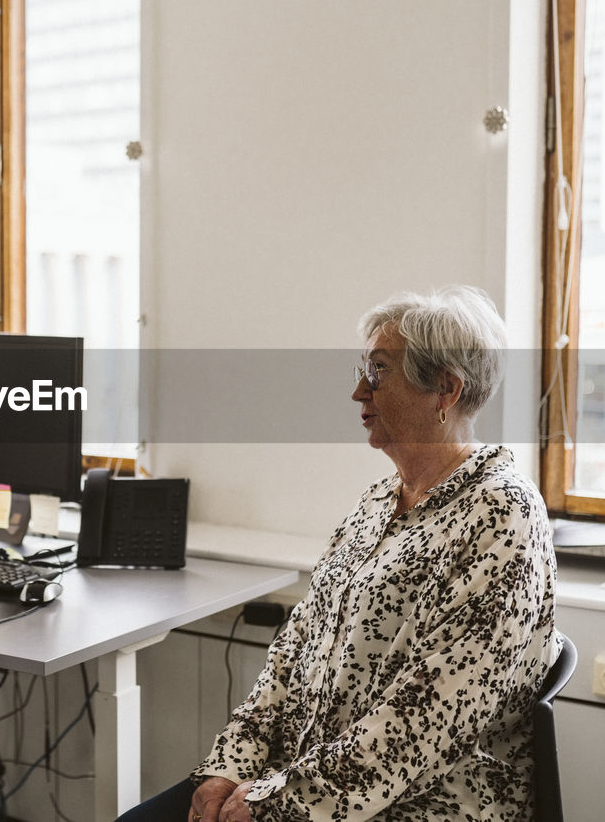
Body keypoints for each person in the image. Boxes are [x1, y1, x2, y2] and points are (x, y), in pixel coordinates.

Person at [119, 285, 558, 822]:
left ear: (444, 389)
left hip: (425, 802)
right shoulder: (377, 500)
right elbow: (295, 646)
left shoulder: (502, 513)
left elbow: (427, 718)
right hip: (309, 776)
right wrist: (231, 765)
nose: (358, 392)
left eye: (378, 371)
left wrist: (277, 803)